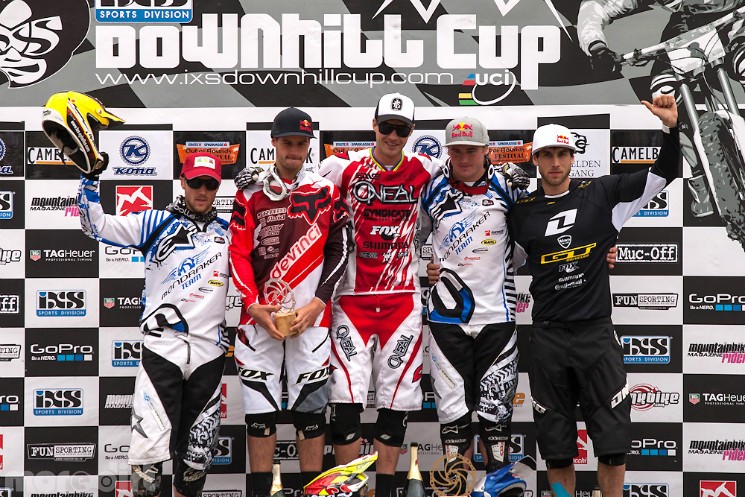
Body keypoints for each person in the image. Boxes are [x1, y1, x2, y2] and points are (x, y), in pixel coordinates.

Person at [507, 94, 679, 497]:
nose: (555, 163)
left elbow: (663, 173)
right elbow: (493, 263)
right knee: (557, 453)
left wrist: (670, 128)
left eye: (562, 154)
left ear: (572, 157)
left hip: (596, 335)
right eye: (546, 155)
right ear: (535, 160)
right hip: (547, 337)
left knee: (614, 447)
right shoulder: (521, 213)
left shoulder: (603, 193)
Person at [79, 144, 229, 495]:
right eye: (196, 182)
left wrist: (262, 189)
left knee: (194, 468)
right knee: (147, 467)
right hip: (162, 348)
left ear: (218, 187)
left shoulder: (230, 231)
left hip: (209, 353)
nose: (202, 191)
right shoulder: (156, 221)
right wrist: (89, 179)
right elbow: (95, 226)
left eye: (210, 184)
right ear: (183, 181)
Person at [316, 92, 446, 497]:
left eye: (401, 129)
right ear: (373, 125)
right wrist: (257, 176)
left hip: (401, 301)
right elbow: (299, 190)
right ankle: (349, 490)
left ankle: (386, 491)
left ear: (411, 132)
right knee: (344, 404)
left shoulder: (426, 168)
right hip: (351, 299)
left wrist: (504, 172)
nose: (392, 135)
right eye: (386, 126)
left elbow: (470, 179)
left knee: (396, 402)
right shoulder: (342, 167)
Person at [229, 107, 352, 497]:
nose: (294, 150)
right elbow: (237, 252)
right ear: (274, 143)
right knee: (259, 416)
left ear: (309, 146)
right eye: (288, 143)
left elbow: (340, 249)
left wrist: (317, 303)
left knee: (311, 415)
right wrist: (252, 304)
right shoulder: (251, 191)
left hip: (310, 320)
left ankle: (312, 493)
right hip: (258, 320)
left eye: (301, 143)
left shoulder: (325, 190)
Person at [417, 117, 525, 475]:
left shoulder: (508, 185)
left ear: (486, 150)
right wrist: (424, 269)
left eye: (472, 150)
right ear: (448, 151)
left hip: (497, 317)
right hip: (446, 321)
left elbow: (538, 234)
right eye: (457, 150)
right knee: (453, 423)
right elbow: (408, 239)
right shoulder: (432, 187)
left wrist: (600, 249)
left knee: (496, 424)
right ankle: (458, 492)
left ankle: (495, 488)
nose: (464, 158)